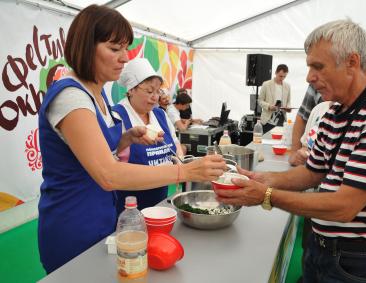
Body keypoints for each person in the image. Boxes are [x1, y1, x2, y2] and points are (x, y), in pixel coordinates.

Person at [215, 19, 366, 282]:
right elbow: (313, 172)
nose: (309, 77)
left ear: (351, 62)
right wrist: (263, 179)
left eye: (318, 66)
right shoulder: (337, 111)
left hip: (362, 263)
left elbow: (344, 206)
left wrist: (266, 195)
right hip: (322, 248)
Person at [37, 5, 226, 274]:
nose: (125, 58)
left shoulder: (98, 96)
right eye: (114, 49)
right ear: (85, 46)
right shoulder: (70, 96)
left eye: (126, 49)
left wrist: (125, 139)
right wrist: (185, 170)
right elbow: (107, 174)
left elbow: (96, 152)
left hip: (103, 216)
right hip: (73, 223)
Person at [112, 58, 184, 214]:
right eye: (150, 91)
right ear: (131, 90)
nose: (155, 97)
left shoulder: (160, 114)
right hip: (129, 208)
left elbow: (175, 142)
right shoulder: (117, 116)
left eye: (158, 91)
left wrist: (179, 158)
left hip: (161, 203)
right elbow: (112, 164)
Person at [258, 64, 291, 133]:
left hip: (281, 120)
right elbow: (260, 100)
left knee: (279, 142)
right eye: (280, 76)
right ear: (275, 72)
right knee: (266, 141)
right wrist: (269, 106)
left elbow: (288, 101)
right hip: (267, 120)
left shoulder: (287, 86)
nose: (282, 78)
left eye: (284, 76)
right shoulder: (266, 84)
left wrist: (288, 108)